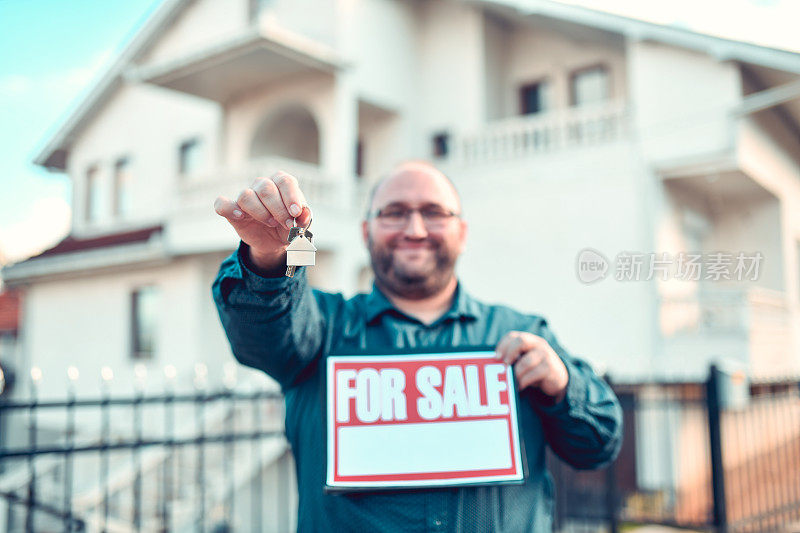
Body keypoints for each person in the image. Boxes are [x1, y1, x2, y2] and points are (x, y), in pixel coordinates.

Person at [211, 161, 622, 532]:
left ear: (462, 233)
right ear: (365, 232)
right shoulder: (321, 328)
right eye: (394, 213)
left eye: (434, 212)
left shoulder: (522, 333)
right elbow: (262, 334)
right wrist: (268, 259)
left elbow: (598, 444)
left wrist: (563, 387)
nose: (415, 229)